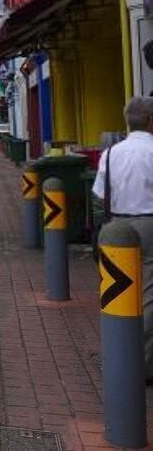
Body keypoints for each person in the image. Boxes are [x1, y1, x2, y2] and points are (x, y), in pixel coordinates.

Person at [93, 97, 153, 383]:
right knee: (148, 294)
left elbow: (100, 194)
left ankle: (118, 358)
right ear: (151, 120)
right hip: (149, 224)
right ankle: (143, 363)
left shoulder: (111, 153)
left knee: (117, 292)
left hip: (116, 228)